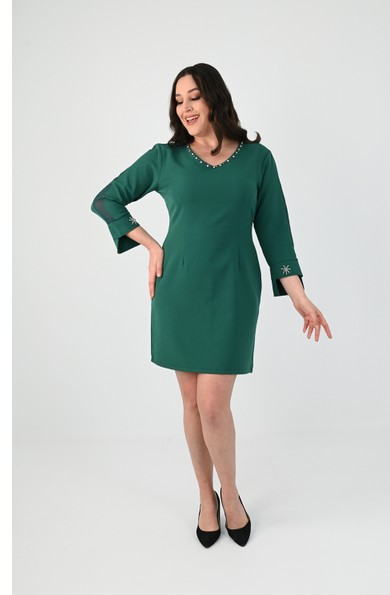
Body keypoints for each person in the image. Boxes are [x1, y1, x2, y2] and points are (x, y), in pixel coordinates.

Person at [91, 63, 332, 548]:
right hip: (178, 289)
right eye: (178, 100)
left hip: (234, 290)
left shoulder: (257, 159)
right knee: (190, 402)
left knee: (213, 405)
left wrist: (299, 296)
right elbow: (107, 200)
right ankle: (206, 497)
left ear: (215, 98)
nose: (185, 107)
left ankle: (232, 494)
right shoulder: (165, 158)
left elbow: (276, 234)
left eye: (194, 96)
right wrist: (150, 245)